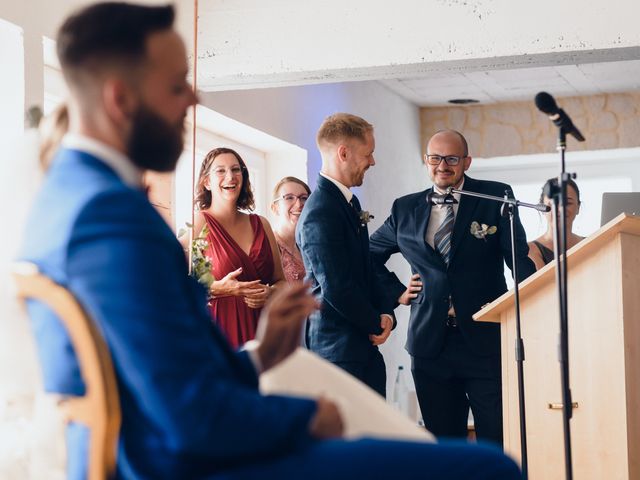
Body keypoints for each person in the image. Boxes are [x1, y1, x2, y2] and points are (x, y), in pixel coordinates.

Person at [19, 4, 522, 478]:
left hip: (174, 443)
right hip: (175, 461)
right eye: (177, 86)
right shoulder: (108, 219)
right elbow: (187, 415)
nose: (193, 99)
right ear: (119, 98)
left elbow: (166, 371)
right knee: (486, 468)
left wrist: (260, 357)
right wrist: (303, 418)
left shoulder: (74, 197)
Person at [370, 129, 536, 446]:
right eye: (435, 158)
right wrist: (397, 292)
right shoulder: (405, 208)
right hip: (430, 345)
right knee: (445, 444)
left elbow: (519, 260)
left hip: (484, 341)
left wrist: (541, 301)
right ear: (426, 160)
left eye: (451, 158)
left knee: (497, 439)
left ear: (466, 161)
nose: (442, 165)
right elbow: (369, 255)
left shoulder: (495, 197)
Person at [296, 113, 395, 397]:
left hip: (359, 345)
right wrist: (375, 322)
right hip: (337, 350)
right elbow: (336, 286)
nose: (372, 162)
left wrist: (386, 312)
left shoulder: (347, 203)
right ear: (343, 153)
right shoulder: (320, 212)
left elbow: (366, 267)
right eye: (369, 153)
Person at [187, 147, 285, 348]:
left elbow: (281, 281)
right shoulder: (199, 223)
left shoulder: (261, 224)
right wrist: (217, 288)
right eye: (220, 171)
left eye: (236, 169)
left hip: (264, 333)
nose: (230, 176)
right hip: (220, 332)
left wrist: (270, 292)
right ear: (206, 182)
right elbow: (174, 281)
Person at [528, 177, 584, 269]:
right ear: (542, 208)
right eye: (553, 203)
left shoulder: (591, 242)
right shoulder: (531, 250)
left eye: (567, 203)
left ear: (578, 207)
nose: (560, 209)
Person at [270, 176, 311, 283]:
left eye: (304, 198)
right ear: (275, 208)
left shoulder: (311, 244)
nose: (299, 204)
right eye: (289, 198)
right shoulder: (268, 246)